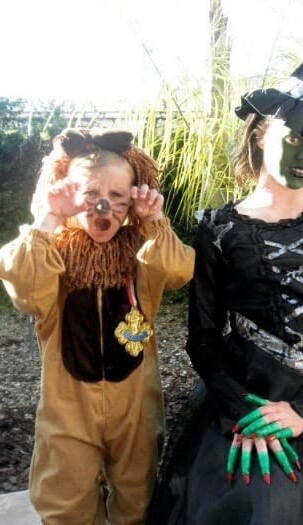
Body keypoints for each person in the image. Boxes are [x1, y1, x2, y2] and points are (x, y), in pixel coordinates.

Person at [147, 15, 303, 525]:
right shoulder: (217, 227)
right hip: (241, 396)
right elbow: (204, 338)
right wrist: (243, 414)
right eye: (297, 136)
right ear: (260, 132)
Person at [0, 128, 195, 524]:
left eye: (118, 198)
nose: (103, 207)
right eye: (89, 196)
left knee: (137, 496)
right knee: (65, 496)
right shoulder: (50, 252)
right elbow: (23, 287)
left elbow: (177, 269)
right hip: (67, 409)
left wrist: (155, 221)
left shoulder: (142, 256)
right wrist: (49, 217)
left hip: (135, 408)